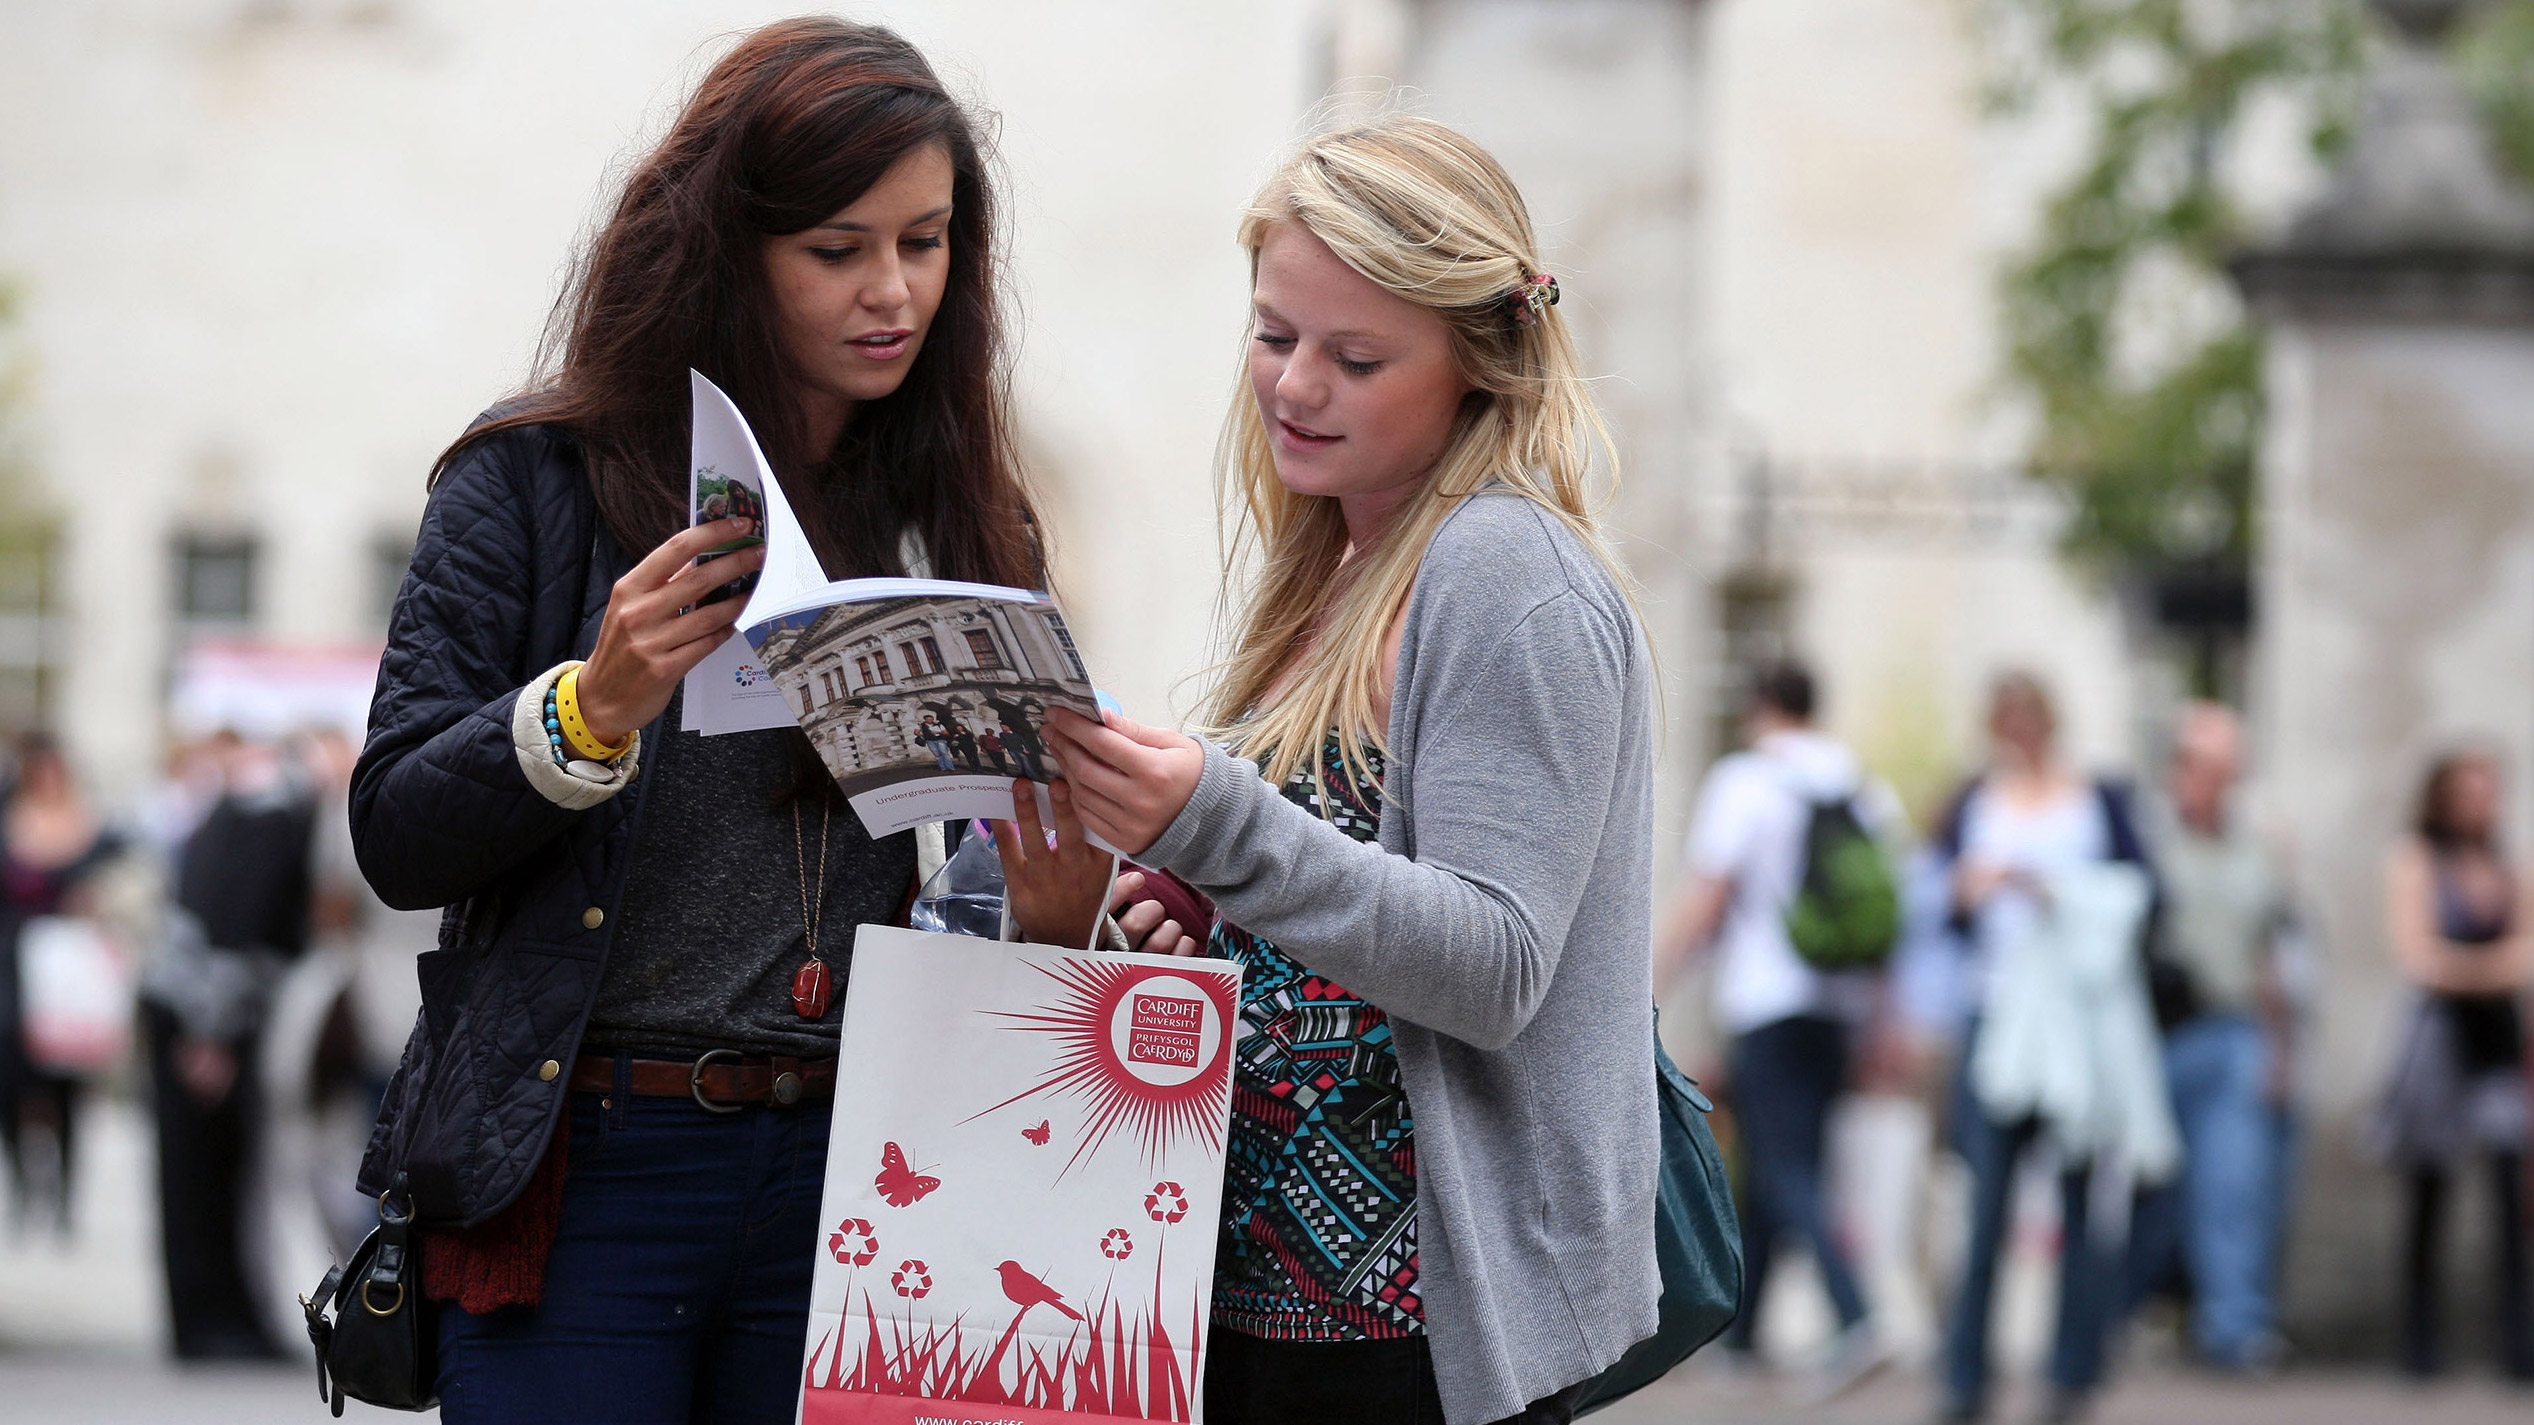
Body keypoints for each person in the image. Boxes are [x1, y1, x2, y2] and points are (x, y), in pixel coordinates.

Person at [348, 22, 1179, 1423]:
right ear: (731, 250)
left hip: (861, 1174)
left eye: (925, 245)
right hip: (590, 1162)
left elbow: (980, 885)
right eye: (837, 248)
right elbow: (394, 833)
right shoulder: (536, 482)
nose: (890, 292)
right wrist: (588, 708)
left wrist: (1058, 920)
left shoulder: (961, 517)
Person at [1042, 115, 1660, 1425]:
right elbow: (1335, 902)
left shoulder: (1507, 578)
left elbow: (1491, 963)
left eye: (1355, 355)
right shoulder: (1333, 567)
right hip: (1260, 1308)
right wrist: (1190, 908)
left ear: (1478, 364)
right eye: (1272, 336)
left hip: (1407, 1339)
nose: (1294, 385)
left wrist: (1215, 824)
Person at [1930, 672, 2160, 1425]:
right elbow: (1937, 909)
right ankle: (1966, 1380)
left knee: (2077, 1204)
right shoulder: (1973, 800)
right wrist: (1969, 891)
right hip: (1995, 1020)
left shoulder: (2099, 797)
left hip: (2077, 1026)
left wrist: (2054, 888)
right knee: (1986, 1205)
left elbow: (2143, 896)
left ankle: (2073, 1372)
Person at [1654, 660, 1888, 1395]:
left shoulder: (1748, 780)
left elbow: (1709, 895)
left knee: (1787, 1169)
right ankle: (1741, 1336)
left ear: (1761, 706)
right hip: (1839, 1008)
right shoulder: (1862, 788)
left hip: (1768, 1000)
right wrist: (1886, 1019)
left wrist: (1645, 983)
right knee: (1774, 1162)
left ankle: (1858, 1317)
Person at [2122, 704, 2298, 1372]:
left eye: (2232, 767)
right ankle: (2122, 1311)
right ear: (2181, 766)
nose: (2222, 779)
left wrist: (2279, 1047)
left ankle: (2236, 1326)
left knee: (2234, 1183)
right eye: (2210, 764)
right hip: (2153, 1033)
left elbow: (2272, 953)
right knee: (2149, 1190)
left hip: (2233, 1029)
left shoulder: (2257, 847)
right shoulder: (2146, 836)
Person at [143, 733, 317, 1360]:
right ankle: (214, 1325)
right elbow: (233, 924)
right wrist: (211, 1034)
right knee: (207, 1175)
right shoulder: (273, 813)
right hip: (208, 1014)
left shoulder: (244, 807)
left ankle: (214, 1322)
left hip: (199, 1009)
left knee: (204, 1175)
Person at [2375, 748, 2533, 1379]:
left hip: (2497, 1045)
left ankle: (2518, 1348)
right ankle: (2419, 1349)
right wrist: (2487, 970)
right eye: (2471, 791)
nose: (2482, 803)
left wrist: (2463, 968)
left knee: (2509, 1196)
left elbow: (2523, 955)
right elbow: (2417, 956)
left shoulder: (2506, 866)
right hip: (2437, 1047)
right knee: (2429, 1198)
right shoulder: (2416, 859)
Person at [0, 732, 124, 1237]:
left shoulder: (92, 826)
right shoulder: (10, 821)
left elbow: (123, 879)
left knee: (65, 1085)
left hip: (70, 973)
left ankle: (65, 1196)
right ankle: (25, 1185)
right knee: (11, 1079)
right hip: (13, 965)